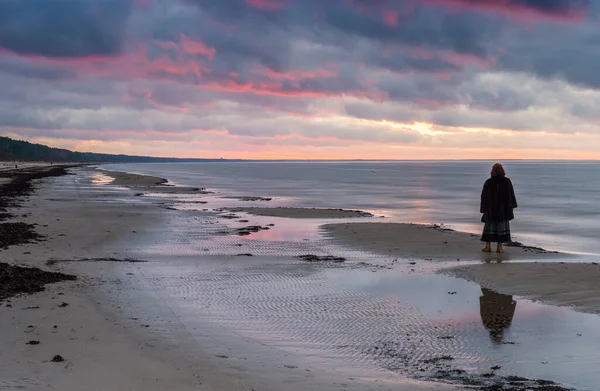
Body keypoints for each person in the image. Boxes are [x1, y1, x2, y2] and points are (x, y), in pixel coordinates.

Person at [480, 163, 517, 253]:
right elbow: (511, 195)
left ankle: (488, 247)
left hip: (490, 209)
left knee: (489, 227)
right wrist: (512, 206)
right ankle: (499, 247)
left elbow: (483, 196)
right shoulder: (507, 181)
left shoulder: (488, 182)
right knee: (501, 228)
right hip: (503, 210)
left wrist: (483, 208)